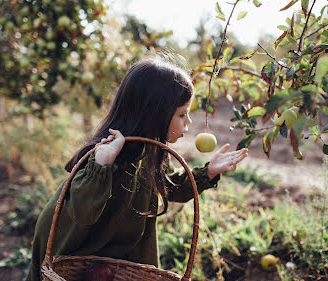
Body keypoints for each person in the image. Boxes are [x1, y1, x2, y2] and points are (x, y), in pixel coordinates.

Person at [25, 53, 249, 281]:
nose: (189, 122)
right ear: (155, 113)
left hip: (110, 256)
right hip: (72, 249)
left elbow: (170, 187)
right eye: (182, 114)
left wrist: (209, 172)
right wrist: (102, 165)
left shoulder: (152, 151)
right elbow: (83, 212)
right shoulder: (108, 153)